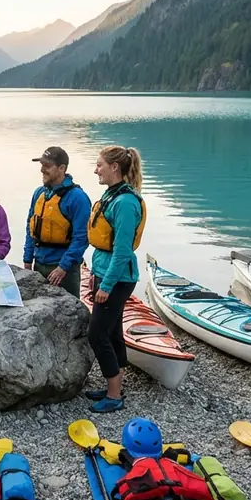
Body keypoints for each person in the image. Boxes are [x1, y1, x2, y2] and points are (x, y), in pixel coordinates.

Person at [82, 145, 146, 413]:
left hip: (117, 278)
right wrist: (97, 279)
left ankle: (115, 395)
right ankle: (114, 386)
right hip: (106, 272)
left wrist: (105, 286)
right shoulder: (113, 196)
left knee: (96, 334)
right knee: (113, 332)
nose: (96, 169)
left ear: (114, 168)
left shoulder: (126, 203)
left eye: (99, 165)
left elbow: (121, 252)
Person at [22, 146, 92, 297]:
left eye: (47, 166)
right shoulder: (39, 193)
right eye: (41, 166)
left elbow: (82, 238)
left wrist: (63, 267)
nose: (42, 170)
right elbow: (30, 227)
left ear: (62, 168)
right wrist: (27, 260)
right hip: (39, 264)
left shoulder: (78, 198)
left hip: (64, 270)